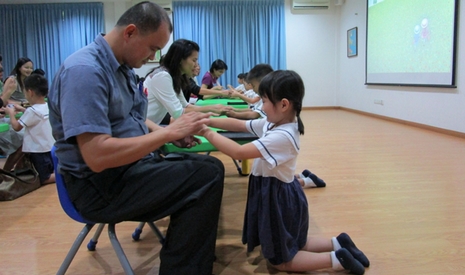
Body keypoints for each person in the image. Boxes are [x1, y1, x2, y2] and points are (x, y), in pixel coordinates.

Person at [48, 2, 224, 274]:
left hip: (126, 170)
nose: (153, 56)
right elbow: (96, 156)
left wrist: (168, 138)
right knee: (204, 176)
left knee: (209, 167)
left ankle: (187, 259)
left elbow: (135, 120)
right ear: (130, 32)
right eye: (153, 48)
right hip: (98, 187)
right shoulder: (85, 71)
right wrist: (167, 132)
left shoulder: (122, 69)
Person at [198, 70, 369, 274]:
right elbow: (241, 125)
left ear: (284, 104)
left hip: (277, 199)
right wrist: (208, 121)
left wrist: (206, 132)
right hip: (283, 195)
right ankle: (338, 243)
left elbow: (239, 152)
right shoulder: (277, 123)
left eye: (264, 101)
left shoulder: (282, 135)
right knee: (297, 242)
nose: (261, 106)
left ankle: (337, 259)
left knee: (280, 261)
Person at [144, 39, 232, 125]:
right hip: (142, 127)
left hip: (151, 125)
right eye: (194, 60)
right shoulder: (162, 76)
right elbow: (178, 113)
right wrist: (210, 108)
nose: (196, 64)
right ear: (181, 59)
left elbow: (185, 105)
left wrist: (212, 108)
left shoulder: (176, 76)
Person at [5, 74, 55, 184]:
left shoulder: (32, 111)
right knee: (48, 171)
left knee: (43, 178)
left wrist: (11, 114)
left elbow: (17, 127)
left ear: (30, 92)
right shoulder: (47, 106)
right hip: (49, 149)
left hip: (38, 151)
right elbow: (36, 117)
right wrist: (23, 110)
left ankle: (64, 176)